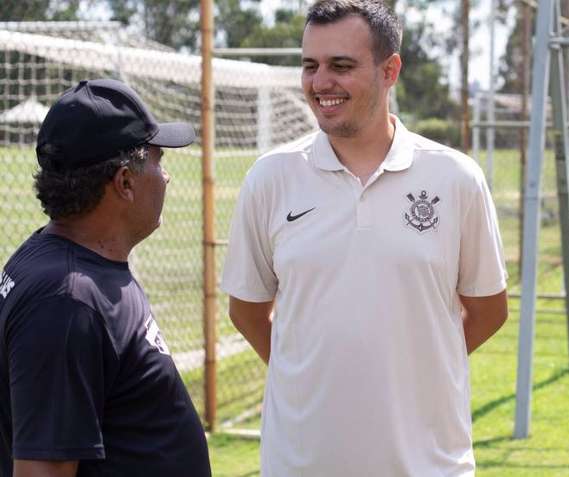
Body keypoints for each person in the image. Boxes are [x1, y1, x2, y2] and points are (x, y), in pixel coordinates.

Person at [220, 0, 509, 475]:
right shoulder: (270, 178)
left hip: (429, 465)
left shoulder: (456, 177)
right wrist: (309, 370)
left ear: (389, 69)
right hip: (300, 464)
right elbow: (247, 310)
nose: (320, 83)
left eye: (341, 66)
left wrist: (416, 366)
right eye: (310, 66)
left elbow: (489, 309)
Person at [0, 79, 212, 477]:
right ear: (125, 183)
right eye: (157, 160)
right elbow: (41, 470)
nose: (165, 177)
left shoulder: (71, 268)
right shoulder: (67, 300)